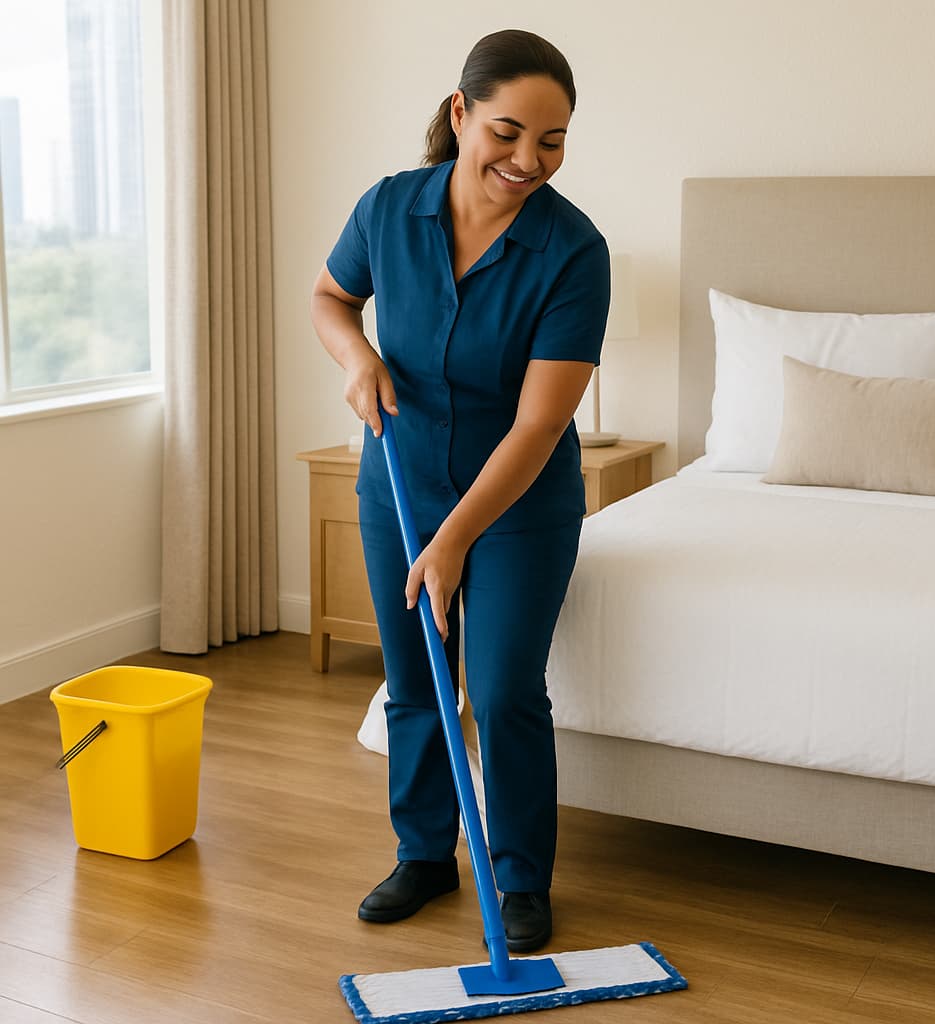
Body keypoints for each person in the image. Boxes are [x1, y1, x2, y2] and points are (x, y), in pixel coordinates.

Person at [310, 28, 610, 953]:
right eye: (507, 132)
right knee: (414, 679)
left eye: (552, 141)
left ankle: (520, 879)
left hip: (519, 505)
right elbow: (329, 298)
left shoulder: (574, 251)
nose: (528, 160)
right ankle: (423, 856)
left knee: (505, 685)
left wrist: (453, 542)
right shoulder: (388, 209)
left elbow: (538, 427)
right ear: (460, 113)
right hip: (400, 482)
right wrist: (356, 356)